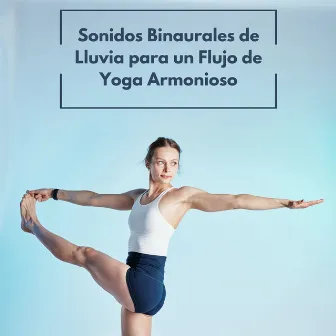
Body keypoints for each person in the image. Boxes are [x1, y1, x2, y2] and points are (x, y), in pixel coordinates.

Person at [20, 137, 323, 336]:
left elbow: (236, 199)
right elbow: (94, 198)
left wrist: (285, 203)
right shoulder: (137, 197)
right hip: (139, 284)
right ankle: (33, 222)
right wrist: (55, 193)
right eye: (161, 162)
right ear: (148, 163)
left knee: (84, 254)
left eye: (174, 163)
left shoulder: (182, 197)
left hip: (145, 284)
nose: (168, 168)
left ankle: (32, 224)